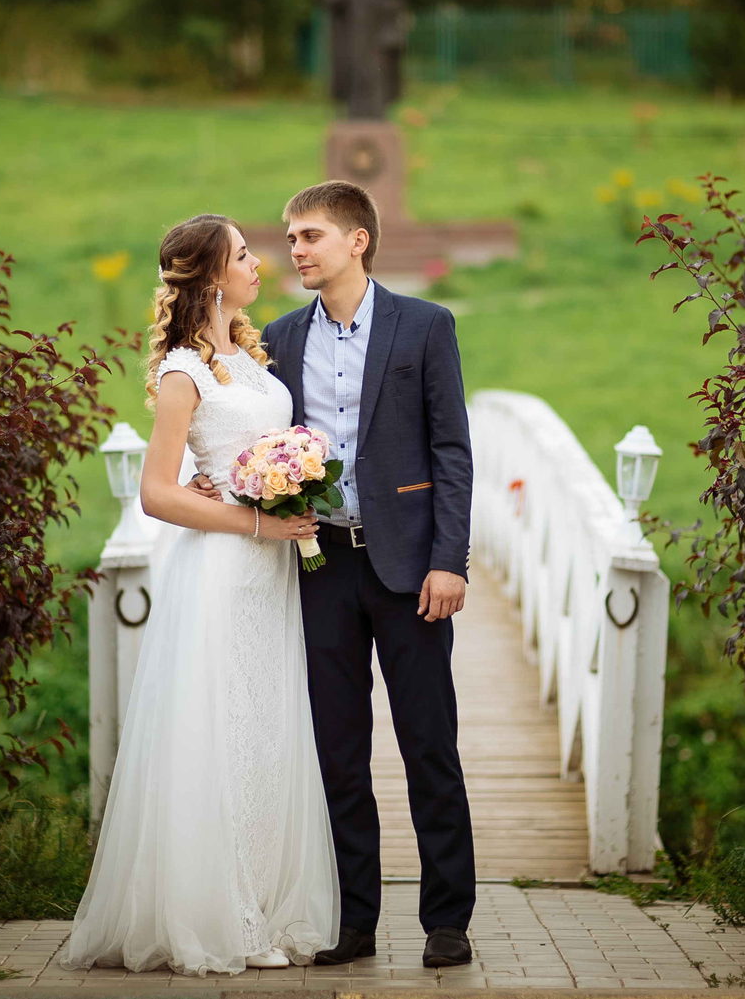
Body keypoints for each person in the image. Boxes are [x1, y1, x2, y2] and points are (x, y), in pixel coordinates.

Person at [194, 181, 476, 969]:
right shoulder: (276, 340)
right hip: (317, 565)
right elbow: (241, 431)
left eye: (310, 235)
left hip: (409, 569)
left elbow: (452, 452)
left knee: (430, 744)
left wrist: (447, 560)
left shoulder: (426, 326)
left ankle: (447, 919)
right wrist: (218, 485)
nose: (296, 249)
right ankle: (354, 921)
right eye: (288, 237)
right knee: (338, 753)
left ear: (357, 240)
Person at [58, 215, 339, 976]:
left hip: (269, 575)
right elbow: (156, 494)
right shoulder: (183, 370)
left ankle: (264, 907)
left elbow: (229, 461)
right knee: (222, 731)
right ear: (214, 275)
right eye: (245, 254)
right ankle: (226, 917)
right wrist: (255, 517)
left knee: (265, 732)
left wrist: (282, 486)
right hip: (221, 570)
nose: (259, 262)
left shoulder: (248, 361)